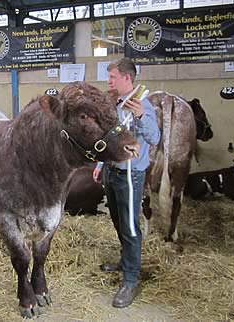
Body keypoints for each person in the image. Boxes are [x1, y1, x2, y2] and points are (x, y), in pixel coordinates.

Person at [93, 58, 160, 308]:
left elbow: (154, 137)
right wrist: (101, 165)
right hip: (113, 171)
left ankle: (130, 279)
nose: (108, 81)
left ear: (126, 78)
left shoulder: (142, 104)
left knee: (131, 227)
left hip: (130, 174)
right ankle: (126, 261)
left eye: (112, 77)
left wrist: (141, 115)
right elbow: (110, 138)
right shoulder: (116, 104)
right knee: (118, 221)